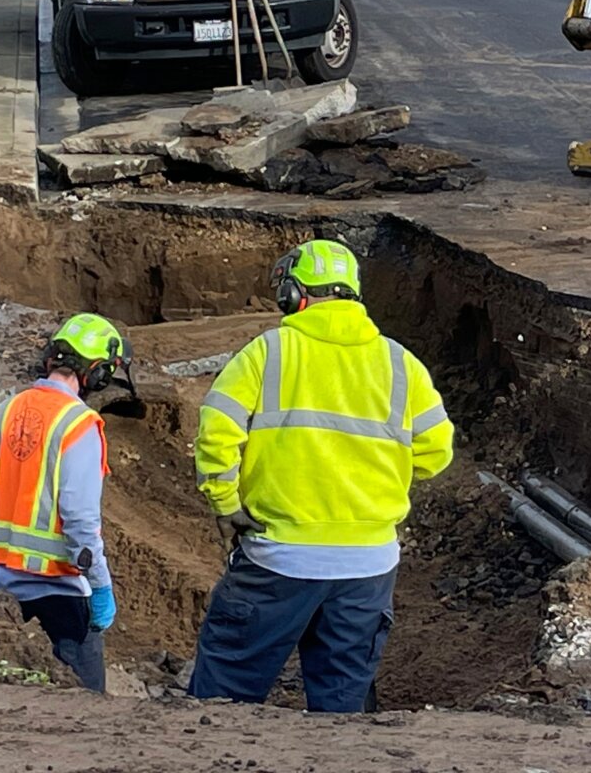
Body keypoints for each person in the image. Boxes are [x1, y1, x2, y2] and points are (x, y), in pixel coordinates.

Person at [189, 240, 454, 712]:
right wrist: (373, 477)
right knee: (342, 704)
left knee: (223, 696)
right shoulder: (401, 364)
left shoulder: (266, 353)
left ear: (295, 295)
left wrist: (226, 502)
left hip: (279, 557)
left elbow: (216, 434)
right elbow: (436, 454)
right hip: (368, 565)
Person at [0, 313, 130, 692]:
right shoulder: (79, 425)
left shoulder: (4, 412)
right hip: (62, 597)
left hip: (3, 593)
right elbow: (80, 521)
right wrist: (101, 587)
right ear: (97, 372)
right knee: (86, 715)